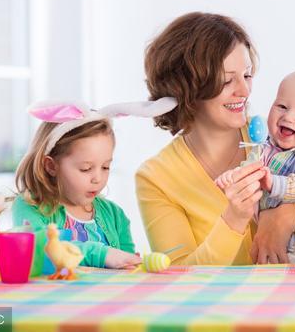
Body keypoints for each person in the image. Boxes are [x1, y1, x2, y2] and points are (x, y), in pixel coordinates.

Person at [136, 12, 295, 265]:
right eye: (227, 80)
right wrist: (233, 220)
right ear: (186, 87)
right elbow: (179, 277)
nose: (244, 91)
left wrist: (290, 217)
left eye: (247, 75)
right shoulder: (156, 178)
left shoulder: (278, 139)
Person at [13, 99, 176, 268]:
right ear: (51, 166)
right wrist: (103, 254)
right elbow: (40, 250)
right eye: (86, 168)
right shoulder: (30, 206)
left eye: (105, 167)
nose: (98, 178)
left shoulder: (114, 215)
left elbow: (126, 265)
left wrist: (131, 262)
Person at [215, 69, 295, 263]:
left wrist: (274, 184)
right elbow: (250, 166)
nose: (288, 117)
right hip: (277, 248)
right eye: (282, 106)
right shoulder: (265, 144)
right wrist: (234, 177)